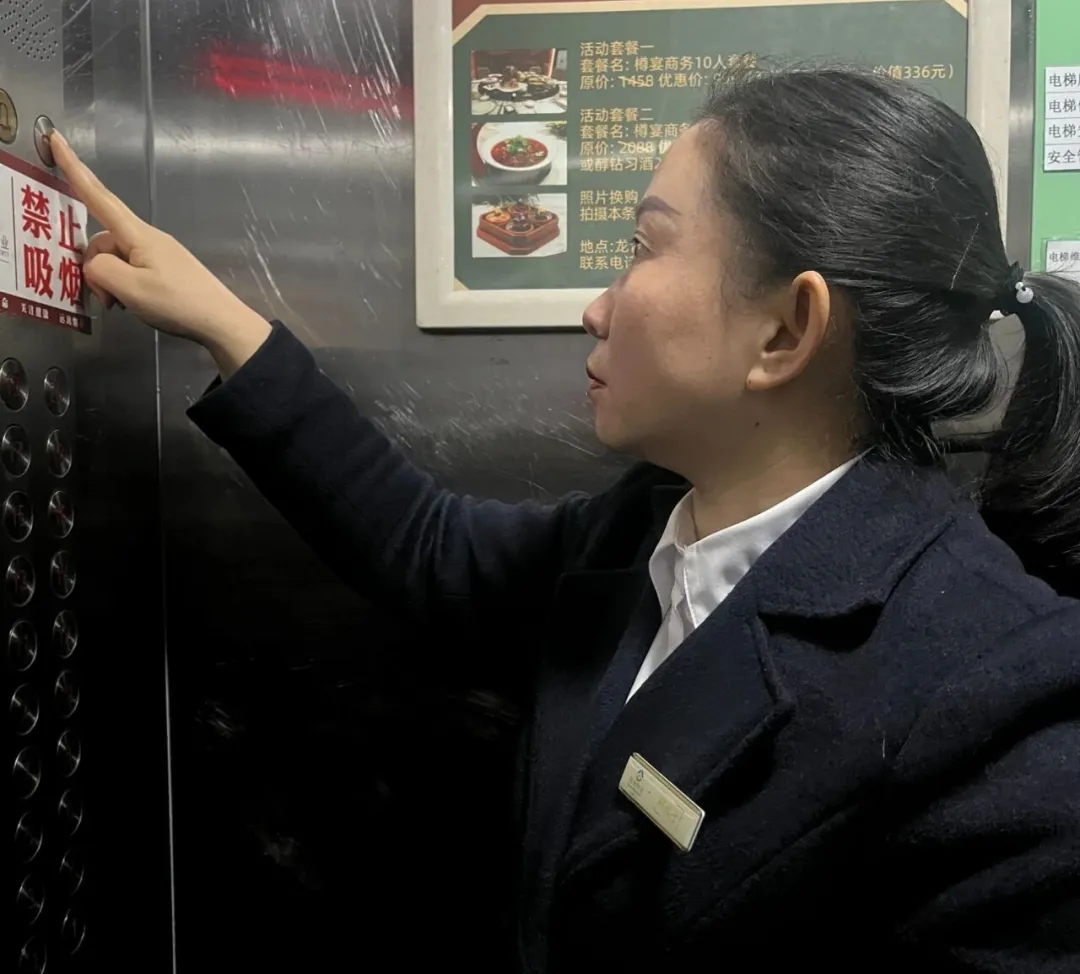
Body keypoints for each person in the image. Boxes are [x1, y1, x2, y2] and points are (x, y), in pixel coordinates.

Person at [53, 67, 1080, 970]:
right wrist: (223, 322)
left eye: (643, 247)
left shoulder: (1004, 704)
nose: (595, 306)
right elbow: (429, 546)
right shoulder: (648, 529)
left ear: (785, 330)